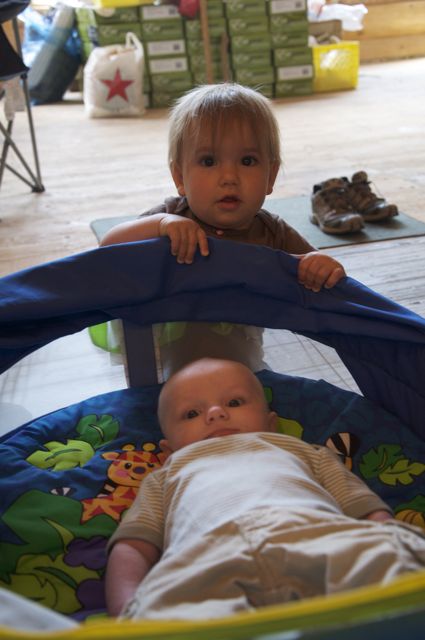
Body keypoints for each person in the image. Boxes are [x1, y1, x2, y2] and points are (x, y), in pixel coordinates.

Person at [105, 357, 425, 621]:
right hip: (205, 561)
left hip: (317, 537)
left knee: (392, 557)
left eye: (234, 402)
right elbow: (133, 545)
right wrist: (128, 610)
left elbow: (365, 508)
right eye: (191, 413)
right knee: (165, 613)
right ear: (168, 451)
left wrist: (387, 540)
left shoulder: (306, 452)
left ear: (271, 424)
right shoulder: (166, 474)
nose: (216, 413)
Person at [99, 83, 346, 377]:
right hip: (167, 377)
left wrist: (322, 265)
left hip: (241, 373)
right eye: (209, 161)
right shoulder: (172, 217)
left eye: (247, 161)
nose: (229, 177)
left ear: (271, 176)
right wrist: (160, 226)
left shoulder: (271, 232)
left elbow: (323, 272)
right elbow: (107, 249)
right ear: (179, 177)